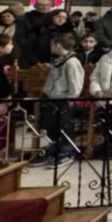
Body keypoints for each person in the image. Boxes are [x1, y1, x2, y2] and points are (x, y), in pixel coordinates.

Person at [32, 32, 84, 165]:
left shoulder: (72, 62)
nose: (50, 47)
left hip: (64, 101)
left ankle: (66, 152)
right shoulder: (58, 60)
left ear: (58, 45)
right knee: (53, 128)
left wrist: (70, 100)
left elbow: (75, 85)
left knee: (64, 128)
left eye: (52, 44)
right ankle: (54, 149)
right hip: (53, 99)